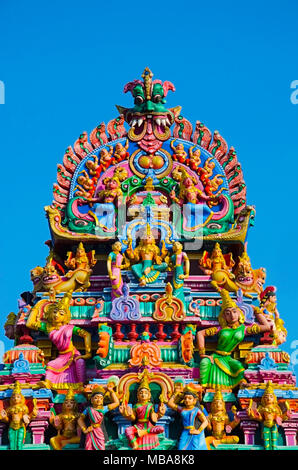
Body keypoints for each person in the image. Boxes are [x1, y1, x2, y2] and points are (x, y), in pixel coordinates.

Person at [197, 289, 272, 389]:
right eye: (227, 313)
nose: (232, 316)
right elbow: (200, 333)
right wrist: (202, 353)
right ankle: (202, 387)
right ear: (224, 317)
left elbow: (266, 327)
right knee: (204, 363)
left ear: (239, 313)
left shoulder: (244, 329)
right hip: (216, 356)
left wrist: (256, 310)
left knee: (239, 368)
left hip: (228, 358)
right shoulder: (220, 329)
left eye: (234, 312)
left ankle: (242, 384)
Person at [26, 292, 92, 390]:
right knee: (50, 365)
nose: (56, 315)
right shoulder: (47, 327)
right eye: (54, 312)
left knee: (80, 362)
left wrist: (88, 353)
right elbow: (29, 324)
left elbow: (86, 334)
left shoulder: (70, 327)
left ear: (65, 316)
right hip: (61, 356)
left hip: (72, 354)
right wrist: (39, 304)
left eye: (61, 313)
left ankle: (81, 385)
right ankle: (48, 383)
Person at [119, 375, 166, 450]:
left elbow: (154, 419)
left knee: (161, 428)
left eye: (145, 393)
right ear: (138, 395)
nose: (143, 395)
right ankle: (135, 444)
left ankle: (145, 432)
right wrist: (125, 413)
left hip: (148, 426)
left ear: (149, 396)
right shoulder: (136, 406)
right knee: (128, 430)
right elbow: (133, 418)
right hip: (138, 425)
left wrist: (160, 413)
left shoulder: (150, 405)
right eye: (141, 393)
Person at [78, 383, 119, 450]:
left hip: (99, 431)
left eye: (100, 398)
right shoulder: (88, 409)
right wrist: (85, 430)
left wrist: (111, 391)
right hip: (90, 431)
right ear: (91, 400)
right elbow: (80, 419)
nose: (98, 400)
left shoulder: (103, 409)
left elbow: (116, 403)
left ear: (102, 401)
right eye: (96, 398)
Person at [167, 385, 208, 450]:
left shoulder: (196, 410)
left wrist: (198, 431)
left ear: (194, 400)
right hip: (185, 432)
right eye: (185, 398)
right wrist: (175, 394)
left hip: (193, 432)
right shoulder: (182, 409)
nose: (187, 400)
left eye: (189, 398)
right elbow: (170, 403)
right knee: (181, 448)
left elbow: (205, 421)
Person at [0, 381, 38, 450]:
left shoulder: (23, 407)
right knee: (12, 443)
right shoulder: (9, 409)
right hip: (11, 426)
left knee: (19, 443)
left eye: (18, 397)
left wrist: (33, 413)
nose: (15, 399)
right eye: (14, 397)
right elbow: (8, 420)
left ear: (21, 398)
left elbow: (27, 418)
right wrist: (4, 417)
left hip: (21, 426)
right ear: (11, 398)